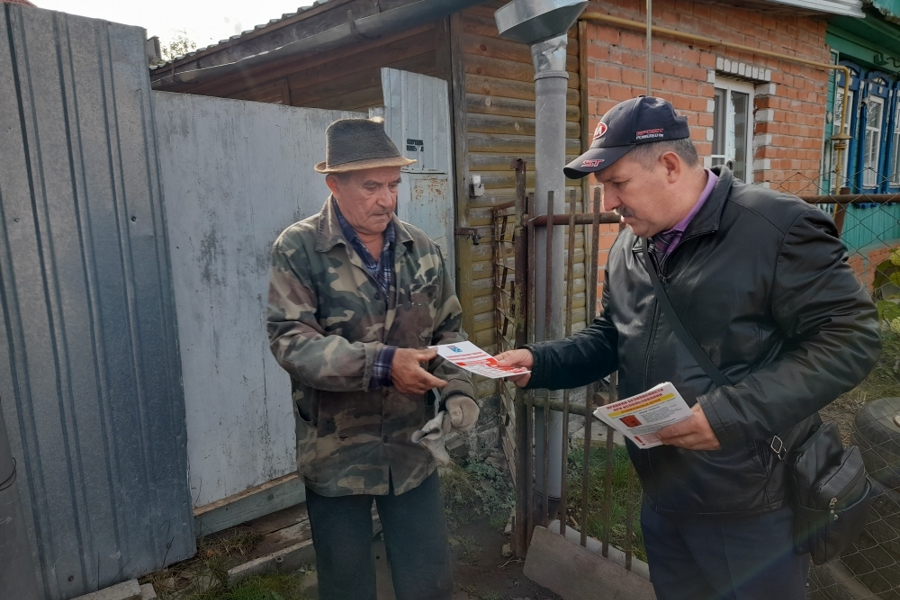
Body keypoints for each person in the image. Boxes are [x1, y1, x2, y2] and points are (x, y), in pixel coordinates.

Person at [497, 96, 880, 600]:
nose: (608, 203)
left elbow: (850, 339)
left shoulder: (778, 228)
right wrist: (541, 361)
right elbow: (612, 335)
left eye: (617, 183)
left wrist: (730, 413)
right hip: (663, 494)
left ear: (671, 166)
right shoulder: (628, 246)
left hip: (750, 504)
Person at [267, 117, 478, 600]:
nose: (387, 199)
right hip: (336, 451)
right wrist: (384, 365)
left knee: (428, 579)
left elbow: (449, 331)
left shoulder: (421, 248)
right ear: (334, 185)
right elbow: (290, 341)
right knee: (346, 584)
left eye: (393, 185)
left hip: (411, 448)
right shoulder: (300, 248)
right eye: (371, 186)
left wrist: (461, 392)